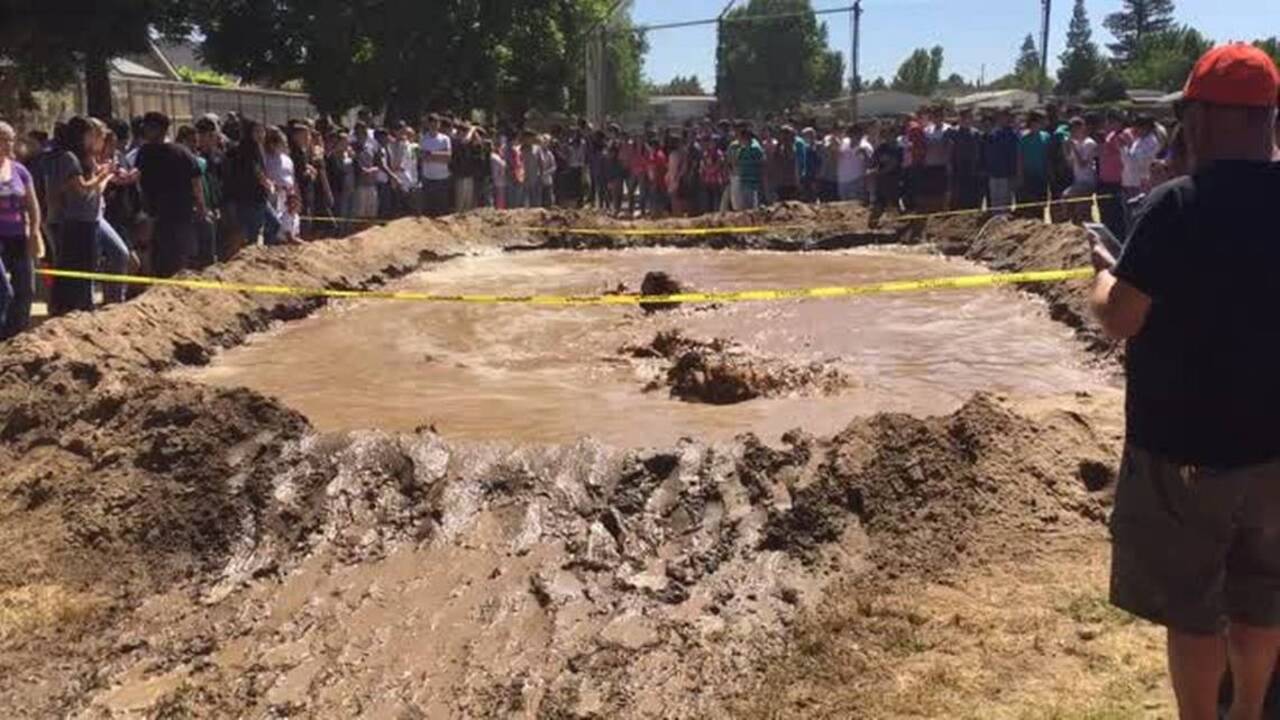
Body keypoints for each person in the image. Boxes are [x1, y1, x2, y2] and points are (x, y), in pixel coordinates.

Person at [1089, 43, 1280, 720]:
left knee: (1195, 609)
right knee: (1262, 596)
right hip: (1273, 448)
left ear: (1206, 117)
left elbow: (1120, 318)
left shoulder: (1176, 207)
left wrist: (1102, 271)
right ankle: (1251, 710)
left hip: (1187, 450)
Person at [48, 116, 113, 313]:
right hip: (76, 221)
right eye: (90, 135)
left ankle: (83, 306)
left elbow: (92, 190)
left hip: (87, 220)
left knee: (89, 265)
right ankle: (71, 308)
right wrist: (102, 175)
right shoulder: (69, 158)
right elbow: (81, 189)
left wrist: (102, 175)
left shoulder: (83, 159)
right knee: (76, 267)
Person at [135, 112, 205, 277]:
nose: (145, 132)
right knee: (163, 258)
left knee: (176, 258)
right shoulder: (147, 152)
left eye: (149, 128)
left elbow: (196, 182)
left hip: (176, 214)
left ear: (160, 129)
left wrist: (201, 206)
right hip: (160, 215)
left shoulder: (177, 152)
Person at [0, 121, 43, 339]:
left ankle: (18, 336)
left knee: (26, 289)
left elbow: (32, 204)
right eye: (4, 139)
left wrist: (34, 231)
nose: (9, 144)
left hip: (17, 235)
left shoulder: (20, 170)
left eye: (11, 139)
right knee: (3, 291)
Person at [225, 119, 279, 245]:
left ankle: (267, 252)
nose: (261, 134)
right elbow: (256, 171)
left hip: (260, 197)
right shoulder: (247, 149)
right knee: (253, 235)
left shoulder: (258, 148)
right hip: (249, 199)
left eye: (262, 131)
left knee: (274, 224)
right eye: (257, 131)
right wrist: (268, 184)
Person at [1097, 110, 1131, 238]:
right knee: (1105, 215)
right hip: (1104, 180)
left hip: (1117, 181)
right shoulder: (1109, 135)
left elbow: (1125, 156)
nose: (1108, 124)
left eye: (1112, 121)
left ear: (1120, 122)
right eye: (1107, 121)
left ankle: (1119, 242)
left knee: (1117, 218)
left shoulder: (1123, 136)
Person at [1062, 116, 1099, 223]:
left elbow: (1083, 163)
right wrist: (1066, 148)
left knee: (1068, 198)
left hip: (1087, 181)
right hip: (1078, 181)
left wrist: (1074, 147)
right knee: (1081, 211)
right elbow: (1070, 163)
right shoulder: (1077, 143)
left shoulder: (1089, 143)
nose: (1072, 133)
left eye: (1074, 129)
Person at [1016, 111, 1051, 219]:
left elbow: (1048, 157)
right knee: (1029, 205)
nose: (1036, 126)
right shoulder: (1023, 138)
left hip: (1042, 176)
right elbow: (1019, 159)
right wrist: (1020, 176)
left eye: (1039, 123)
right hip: (1028, 176)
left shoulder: (1046, 137)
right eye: (1034, 124)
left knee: (1041, 204)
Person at [946, 109, 983, 210]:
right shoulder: (952, 132)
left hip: (972, 167)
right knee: (957, 192)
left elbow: (979, 151)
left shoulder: (976, 133)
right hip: (957, 167)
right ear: (960, 118)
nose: (967, 120)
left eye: (969, 117)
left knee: (972, 192)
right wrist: (949, 164)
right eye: (964, 117)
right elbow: (949, 149)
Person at [984, 110, 1020, 214]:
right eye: (1000, 117)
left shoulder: (1012, 134)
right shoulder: (992, 134)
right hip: (993, 172)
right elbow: (987, 152)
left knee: (1005, 201)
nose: (1002, 119)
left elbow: (1016, 155)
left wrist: (1015, 172)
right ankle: (995, 222)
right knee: (995, 200)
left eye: (1004, 117)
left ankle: (1003, 223)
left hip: (1006, 173)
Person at [734, 122, 765, 211]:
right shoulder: (742, 149)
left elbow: (762, 164)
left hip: (753, 183)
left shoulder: (755, 149)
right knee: (744, 209)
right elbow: (737, 162)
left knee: (753, 208)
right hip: (744, 181)